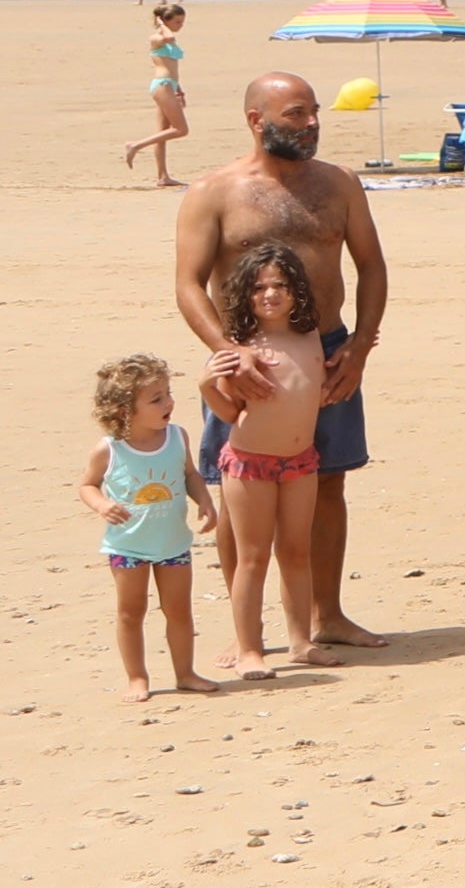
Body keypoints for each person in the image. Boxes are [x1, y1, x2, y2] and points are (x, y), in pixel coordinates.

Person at [171, 74, 389, 656]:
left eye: (314, 112)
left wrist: (361, 346)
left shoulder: (340, 183)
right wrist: (229, 350)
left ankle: (327, 615)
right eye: (296, 114)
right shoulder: (212, 192)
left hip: (329, 350)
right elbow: (188, 284)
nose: (312, 123)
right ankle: (249, 635)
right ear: (256, 120)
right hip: (246, 360)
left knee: (328, 480)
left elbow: (371, 265)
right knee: (234, 483)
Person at [198, 242, 341, 673]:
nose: (271, 294)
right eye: (259, 287)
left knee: (297, 552)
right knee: (253, 556)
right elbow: (229, 412)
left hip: (301, 462)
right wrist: (207, 386)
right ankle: (250, 648)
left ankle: (301, 640)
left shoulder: (310, 335)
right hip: (249, 463)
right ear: (245, 295)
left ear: (297, 290)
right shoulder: (243, 346)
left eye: (281, 284)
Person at [83, 355, 216, 699]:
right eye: (156, 398)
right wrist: (102, 504)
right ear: (124, 410)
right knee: (131, 612)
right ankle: (137, 677)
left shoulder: (177, 437)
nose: (168, 402)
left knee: (179, 611)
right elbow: (88, 485)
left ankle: (185, 673)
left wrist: (204, 500)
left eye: (168, 393)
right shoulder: (109, 449)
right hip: (127, 547)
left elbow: (189, 474)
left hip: (173, 543)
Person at [125, 2, 188, 185]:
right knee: (181, 130)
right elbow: (168, 38)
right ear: (165, 20)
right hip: (162, 85)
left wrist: (179, 90)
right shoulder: (156, 38)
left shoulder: (168, 38)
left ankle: (163, 176)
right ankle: (135, 145)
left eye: (182, 22)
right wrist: (160, 24)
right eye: (177, 22)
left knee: (162, 133)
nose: (180, 26)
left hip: (170, 85)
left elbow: (172, 68)